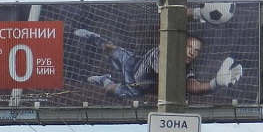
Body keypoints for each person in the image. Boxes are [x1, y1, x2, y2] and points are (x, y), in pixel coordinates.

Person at [74, 28, 243, 98]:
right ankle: (93, 37)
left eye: (196, 51)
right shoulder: (163, 50)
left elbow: (195, 87)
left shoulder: (185, 72)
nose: (192, 52)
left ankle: (104, 78)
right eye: (189, 47)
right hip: (133, 64)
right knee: (110, 48)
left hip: (137, 88)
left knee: (109, 90)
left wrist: (215, 84)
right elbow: (161, 71)